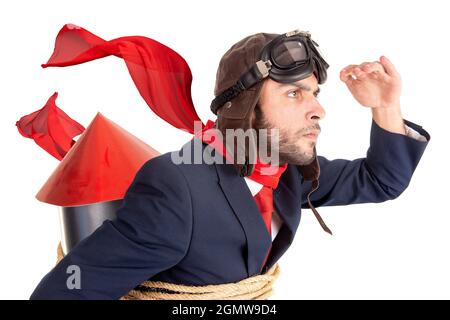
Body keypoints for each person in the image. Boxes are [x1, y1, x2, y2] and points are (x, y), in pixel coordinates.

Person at [30, 30, 429, 299]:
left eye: (314, 93)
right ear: (246, 107)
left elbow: (382, 181)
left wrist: (385, 105)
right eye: (294, 94)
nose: (319, 109)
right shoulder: (176, 186)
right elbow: (66, 290)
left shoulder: (286, 171)